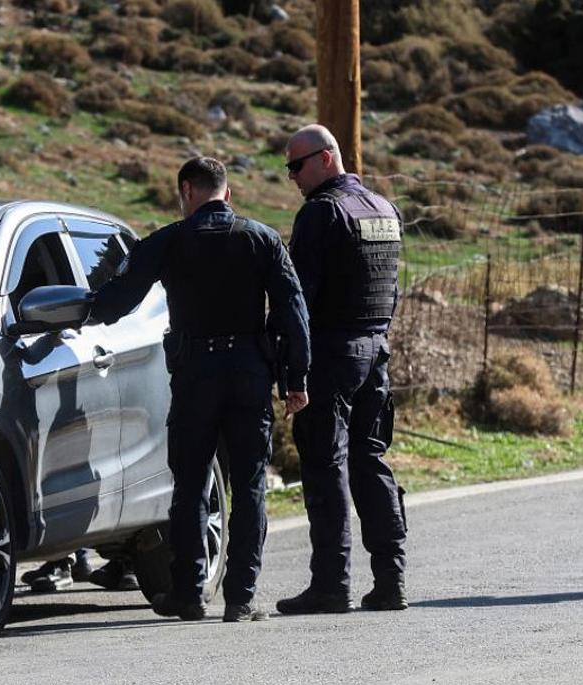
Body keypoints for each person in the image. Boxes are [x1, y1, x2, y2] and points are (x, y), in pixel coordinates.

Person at [92, 157, 311, 622]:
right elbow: (294, 311)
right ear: (226, 194)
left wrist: (82, 307)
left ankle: (189, 593)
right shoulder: (262, 239)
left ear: (186, 191)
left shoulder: (169, 241)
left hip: (196, 374)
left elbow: (118, 301)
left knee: (191, 484)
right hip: (251, 371)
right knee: (249, 484)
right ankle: (241, 597)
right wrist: (297, 379)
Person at [276, 124, 409, 615]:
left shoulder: (321, 213)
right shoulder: (383, 209)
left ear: (327, 158)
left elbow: (299, 300)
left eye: (297, 164)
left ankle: (332, 582)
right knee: (370, 459)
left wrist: (292, 368)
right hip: (376, 350)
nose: (292, 176)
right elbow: (392, 289)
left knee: (325, 463)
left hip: (333, 354)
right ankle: (390, 578)